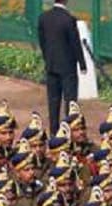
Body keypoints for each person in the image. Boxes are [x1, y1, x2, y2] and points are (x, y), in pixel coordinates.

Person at [37, 0, 87, 135]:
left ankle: (54, 131)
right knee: (70, 100)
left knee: (53, 100)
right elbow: (75, 43)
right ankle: (69, 129)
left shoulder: (44, 17)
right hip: (68, 66)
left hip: (51, 64)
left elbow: (42, 41)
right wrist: (82, 63)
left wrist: (47, 57)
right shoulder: (68, 19)